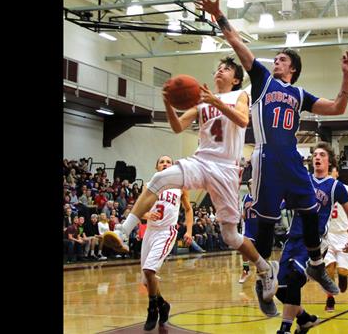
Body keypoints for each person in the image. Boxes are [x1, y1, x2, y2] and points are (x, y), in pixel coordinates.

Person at [195, 0, 348, 297]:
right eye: (276, 59)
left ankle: (317, 265)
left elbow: (337, 108)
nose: (276, 62)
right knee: (266, 227)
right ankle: (263, 276)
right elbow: (236, 43)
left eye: (281, 59)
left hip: (292, 159)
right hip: (266, 158)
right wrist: (218, 15)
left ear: (292, 68)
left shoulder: (299, 94)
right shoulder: (262, 80)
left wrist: (347, 77)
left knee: (310, 213)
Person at [120, 57, 279, 317]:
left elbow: (242, 121)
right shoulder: (200, 99)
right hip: (200, 160)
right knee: (159, 180)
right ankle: (123, 231)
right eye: (218, 68)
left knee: (230, 236)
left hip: (226, 168)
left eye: (226, 68)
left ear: (236, 79)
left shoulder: (240, 95)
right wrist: (168, 104)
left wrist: (214, 101)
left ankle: (264, 267)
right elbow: (177, 127)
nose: (220, 71)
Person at [275, 142, 348, 334]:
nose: (317, 158)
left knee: (295, 279)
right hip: (293, 238)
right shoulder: (303, 179)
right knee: (279, 287)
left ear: (329, 161)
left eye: (322, 155)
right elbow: (285, 201)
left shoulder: (336, 186)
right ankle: (304, 319)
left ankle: (285, 328)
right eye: (315, 155)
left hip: (314, 243)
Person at [139, 155, 194, 331]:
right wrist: (146, 215)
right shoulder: (149, 186)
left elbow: (188, 209)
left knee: (149, 270)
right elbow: (139, 210)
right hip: (150, 232)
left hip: (166, 231)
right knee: (147, 280)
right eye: (161, 162)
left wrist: (190, 230)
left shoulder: (180, 186)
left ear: (172, 167)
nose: (165, 164)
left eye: (168, 162)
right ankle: (163, 304)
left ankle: (152, 309)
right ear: (157, 167)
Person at [323, 166, 348, 312]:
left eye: (331, 170)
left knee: (342, 270)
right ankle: (330, 298)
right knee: (329, 268)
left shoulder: (346, 189)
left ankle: (343, 276)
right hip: (326, 235)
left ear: (337, 173)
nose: (328, 173)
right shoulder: (318, 189)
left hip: (342, 234)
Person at [239, 178, 258, 284]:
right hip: (249, 227)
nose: (252, 184)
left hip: (259, 226)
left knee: (260, 251)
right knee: (244, 248)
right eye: (250, 182)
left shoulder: (261, 196)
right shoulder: (246, 197)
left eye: (253, 182)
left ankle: (263, 271)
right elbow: (243, 214)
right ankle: (245, 270)